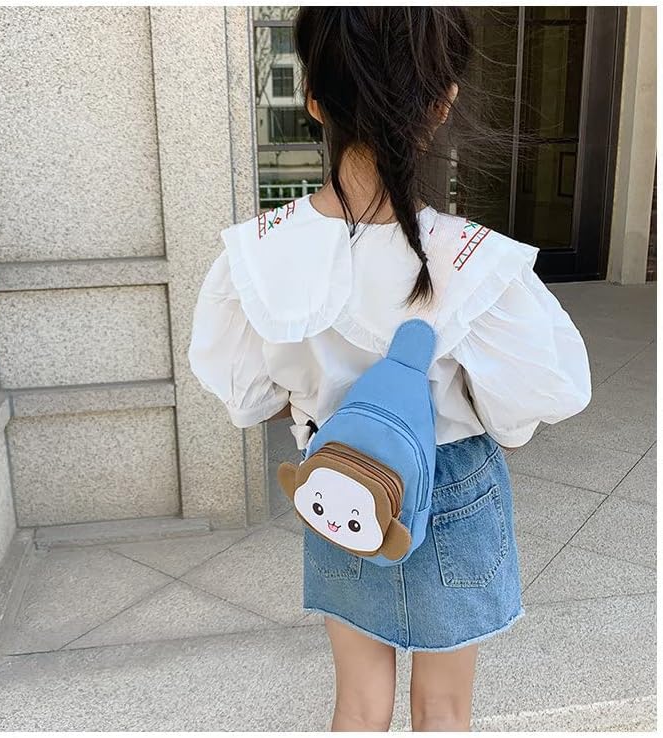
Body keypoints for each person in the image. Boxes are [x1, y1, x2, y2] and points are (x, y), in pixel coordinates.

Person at [188, 7, 591, 732]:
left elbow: (246, 398)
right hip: (454, 484)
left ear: (313, 99)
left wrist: (318, 399)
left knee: (358, 701)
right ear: (442, 104)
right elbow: (541, 397)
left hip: (340, 479)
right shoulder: (478, 263)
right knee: (444, 709)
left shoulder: (256, 253)